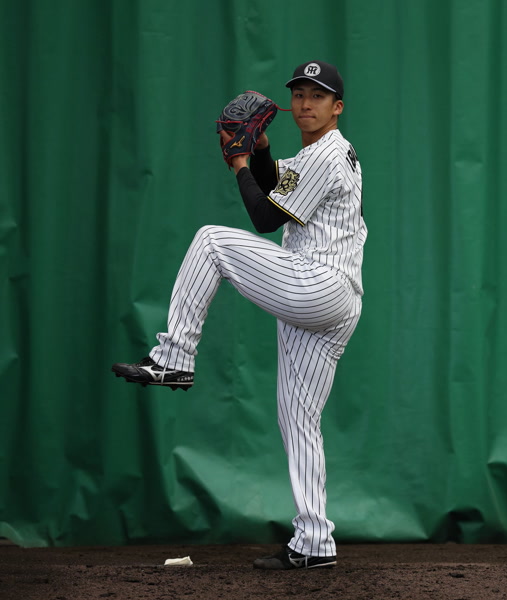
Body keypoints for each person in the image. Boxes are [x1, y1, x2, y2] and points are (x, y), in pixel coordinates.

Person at [111, 60, 366, 570]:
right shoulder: (321, 152)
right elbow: (277, 192)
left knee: (211, 242)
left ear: (337, 107)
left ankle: (175, 356)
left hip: (317, 284)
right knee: (299, 419)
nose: (305, 103)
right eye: (299, 94)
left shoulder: (326, 154)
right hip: (335, 299)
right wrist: (263, 152)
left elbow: (264, 217)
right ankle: (315, 541)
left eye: (317, 96)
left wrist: (240, 164)